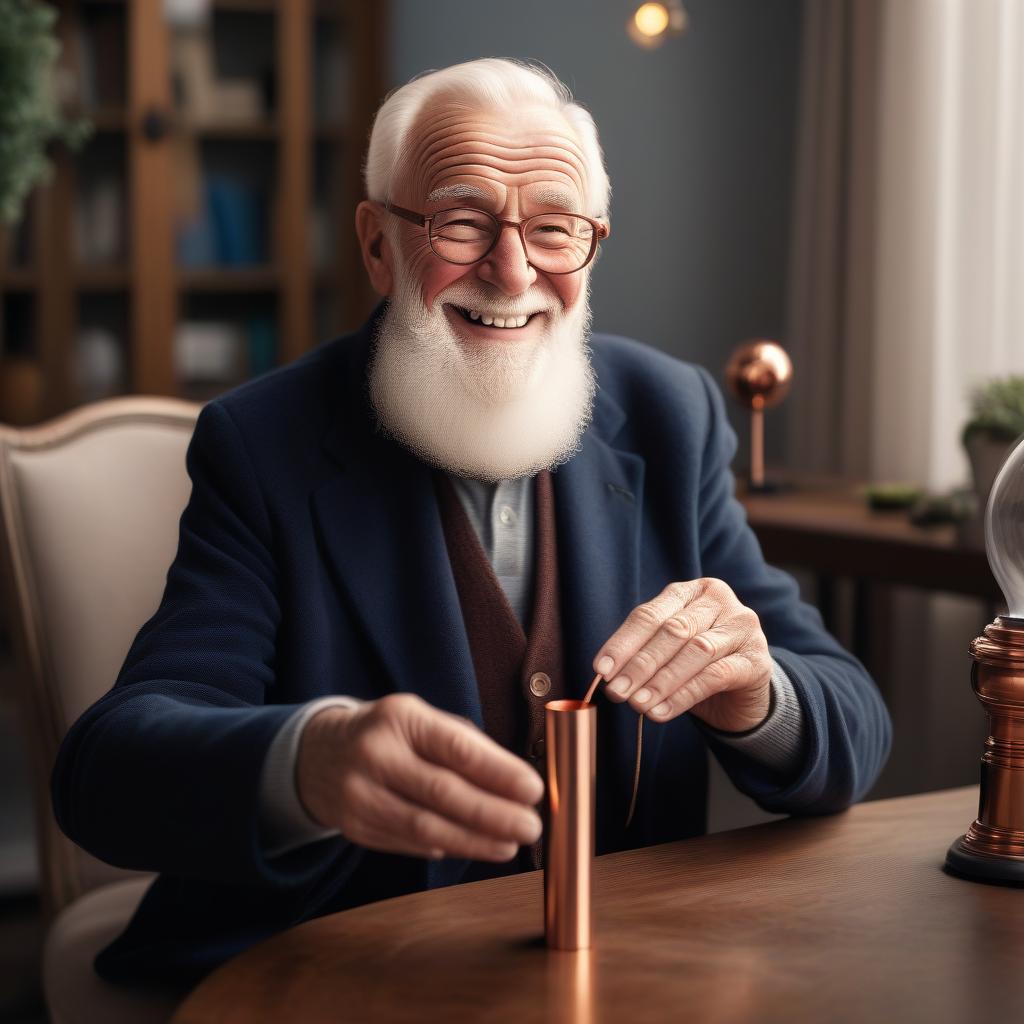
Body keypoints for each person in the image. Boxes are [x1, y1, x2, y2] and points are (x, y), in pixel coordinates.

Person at [52, 58, 891, 987]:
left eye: (554, 228)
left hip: (622, 976)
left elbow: (853, 722)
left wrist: (756, 692)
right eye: (461, 221)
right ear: (377, 244)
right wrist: (310, 760)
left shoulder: (670, 412)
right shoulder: (263, 444)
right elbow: (109, 770)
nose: (512, 269)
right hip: (355, 976)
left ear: (592, 245)